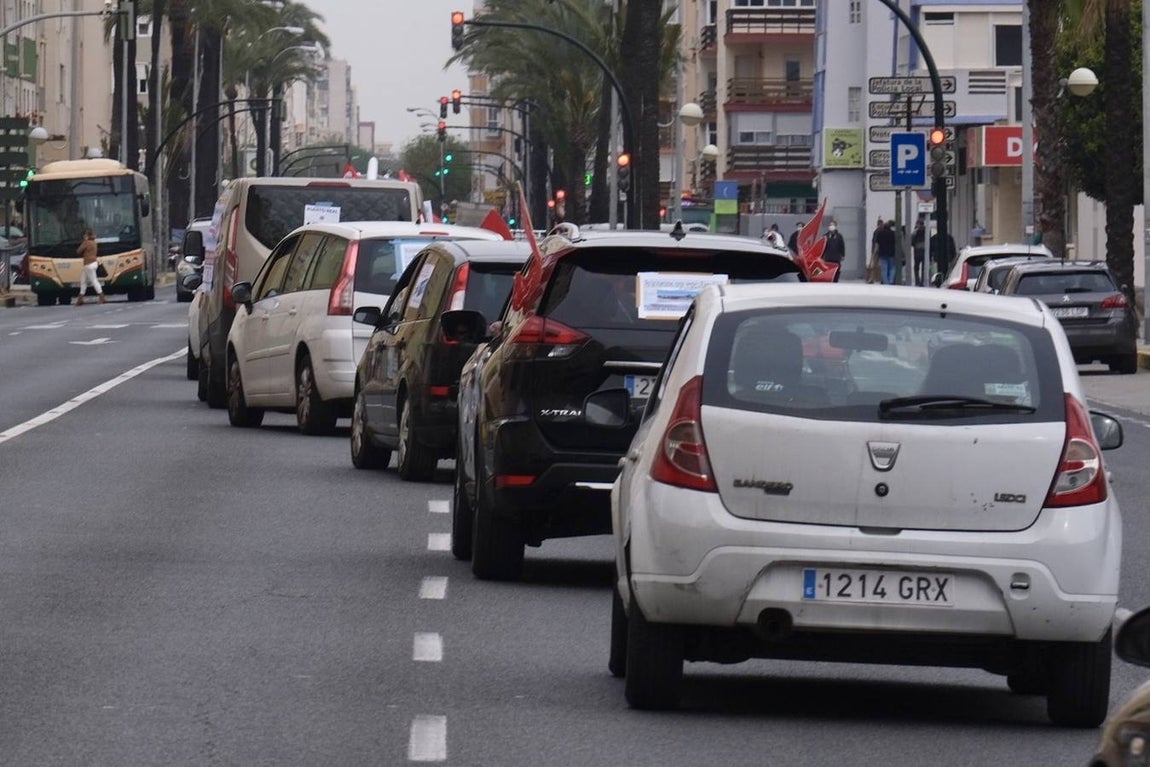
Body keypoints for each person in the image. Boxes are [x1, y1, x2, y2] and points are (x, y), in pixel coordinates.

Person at [75, 228, 105, 305]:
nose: (83, 236)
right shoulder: (94, 242)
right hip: (93, 263)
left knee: (94, 281)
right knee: (83, 280)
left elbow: (78, 251)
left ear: (87, 235)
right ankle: (80, 298)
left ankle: (102, 296)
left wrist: (84, 242)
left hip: (88, 264)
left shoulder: (86, 242)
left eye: (85, 235)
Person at [874, 220, 897, 285]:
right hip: (891, 253)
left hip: (882, 253)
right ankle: (891, 280)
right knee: (892, 268)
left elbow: (877, 244)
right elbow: (895, 243)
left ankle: (886, 282)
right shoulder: (893, 233)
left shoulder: (880, 233)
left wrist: (875, 252)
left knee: (884, 269)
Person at [911, 218, 926, 286]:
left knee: (916, 267)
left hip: (917, 251)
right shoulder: (926, 230)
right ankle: (923, 281)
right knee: (923, 267)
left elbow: (912, 241)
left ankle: (917, 281)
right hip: (924, 251)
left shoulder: (915, 231)